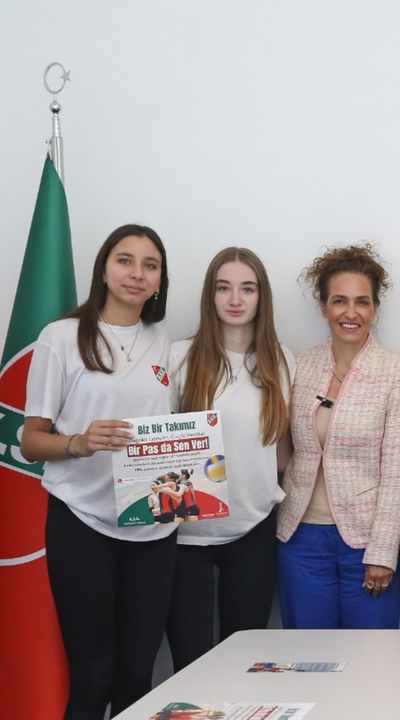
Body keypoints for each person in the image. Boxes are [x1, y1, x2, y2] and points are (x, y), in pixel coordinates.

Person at [20, 224, 174, 719]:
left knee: (137, 675)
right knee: (92, 675)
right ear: (104, 270)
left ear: (159, 281)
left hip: (152, 527)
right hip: (82, 522)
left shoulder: (163, 343)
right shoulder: (61, 337)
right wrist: (79, 443)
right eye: (125, 260)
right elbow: (30, 441)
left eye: (150, 265)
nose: (137, 273)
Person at [166, 247, 295, 670]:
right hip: (185, 533)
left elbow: (280, 451)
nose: (235, 299)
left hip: (252, 526)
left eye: (247, 289)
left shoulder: (281, 360)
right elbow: (160, 447)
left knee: (244, 663)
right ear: (210, 295)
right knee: (190, 662)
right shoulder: (179, 356)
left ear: (262, 297)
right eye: (224, 288)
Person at [276, 243, 400, 628]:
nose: (350, 313)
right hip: (300, 538)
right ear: (323, 306)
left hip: (368, 543)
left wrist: (383, 552)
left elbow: (398, 470)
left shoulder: (398, 372)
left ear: (375, 308)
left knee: (372, 656)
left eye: (362, 302)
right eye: (339, 301)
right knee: (307, 655)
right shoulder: (297, 364)